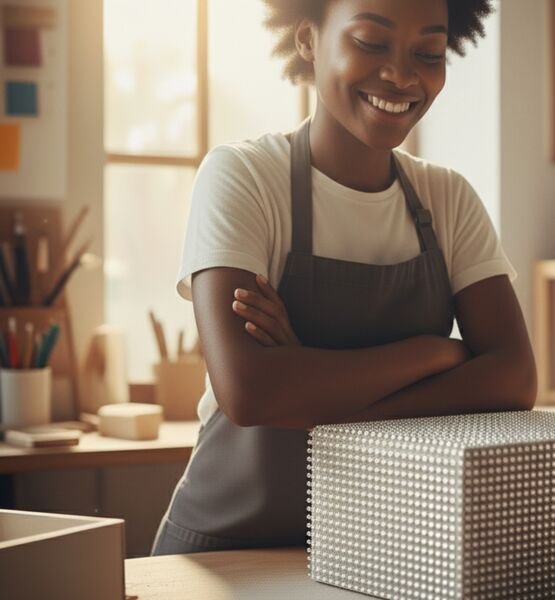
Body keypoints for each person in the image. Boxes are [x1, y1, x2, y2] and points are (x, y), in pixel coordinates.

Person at [152, 0, 535, 556]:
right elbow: (251, 392)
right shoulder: (244, 177)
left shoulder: (448, 199)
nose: (402, 75)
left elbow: (514, 378)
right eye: (371, 43)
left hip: (376, 551)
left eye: (428, 52)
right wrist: (434, 354)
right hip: (225, 551)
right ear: (307, 39)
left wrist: (309, 394)